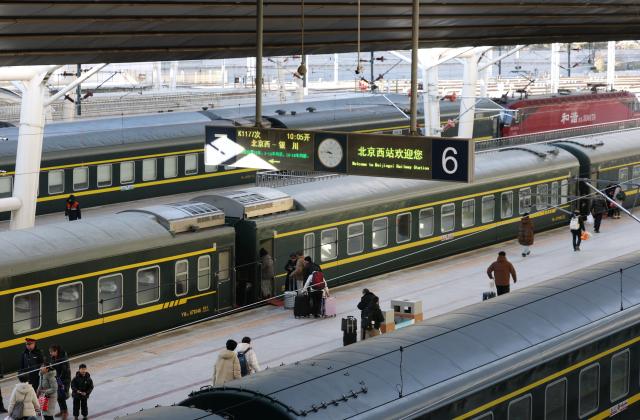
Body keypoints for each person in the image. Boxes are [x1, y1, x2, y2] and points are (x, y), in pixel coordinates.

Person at [49, 345, 71, 420]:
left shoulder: (63, 357)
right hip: (57, 378)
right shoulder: (54, 357)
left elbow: (64, 370)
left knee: (62, 396)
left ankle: (65, 412)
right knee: (58, 395)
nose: (50, 354)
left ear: (56, 351)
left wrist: (58, 379)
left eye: (51, 352)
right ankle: (62, 411)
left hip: (64, 379)